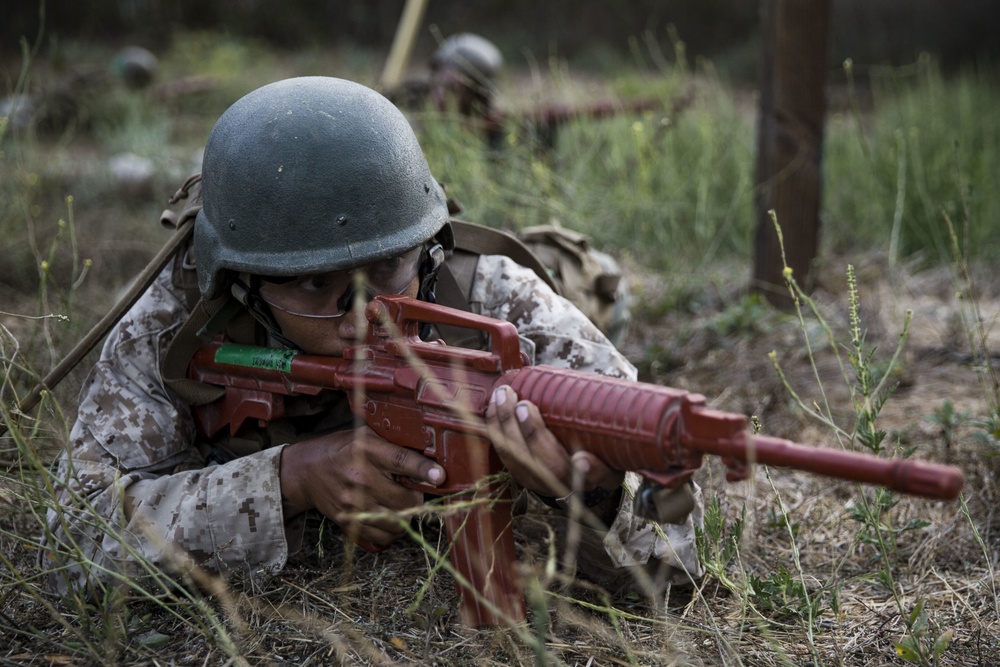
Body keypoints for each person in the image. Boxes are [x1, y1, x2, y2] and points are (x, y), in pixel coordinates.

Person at [42, 76, 702, 609]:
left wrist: (585, 497)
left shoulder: (503, 300)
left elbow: (680, 540)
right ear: (241, 280)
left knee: (588, 298)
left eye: (387, 271)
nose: (364, 315)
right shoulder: (175, 324)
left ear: (424, 243)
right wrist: (285, 482)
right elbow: (69, 548)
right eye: (312, 283)